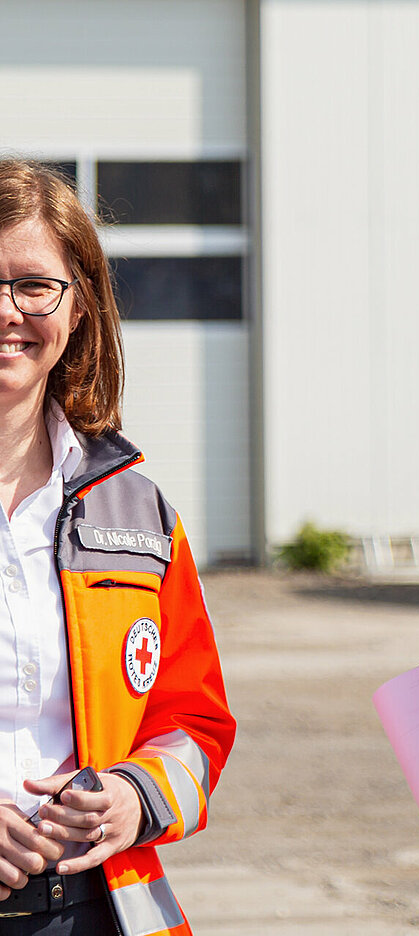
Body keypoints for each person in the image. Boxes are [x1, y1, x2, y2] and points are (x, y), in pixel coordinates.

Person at [0, 160, 236, 935]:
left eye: (35, 285)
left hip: (99, 910)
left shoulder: (138, 513)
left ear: (79, 309)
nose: (10, 311)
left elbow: (194, 721)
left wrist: (136, 796)